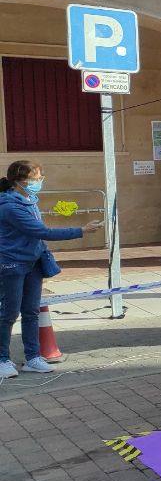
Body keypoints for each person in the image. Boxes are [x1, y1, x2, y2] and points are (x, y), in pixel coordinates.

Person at [0, 161, 102, 377]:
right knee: (9, 313)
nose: (40, 182)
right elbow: (41, 232)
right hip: (13, 264)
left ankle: (33, 357)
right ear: (20, 181)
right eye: (37, 178)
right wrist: (81, 230)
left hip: (33, 263)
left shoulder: (30, 200)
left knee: (31, 312)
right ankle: (2, 360)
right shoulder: (9, 206)